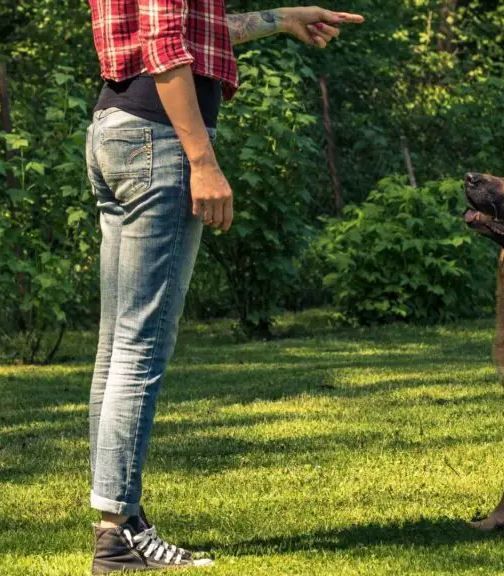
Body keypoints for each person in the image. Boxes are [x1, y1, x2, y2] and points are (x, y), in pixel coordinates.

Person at [84, 2, 364, 573]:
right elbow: (165, 45)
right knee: (141, 347)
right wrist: (202, 161)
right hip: (157, 140)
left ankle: (120, 521)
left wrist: (280, 19)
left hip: (120, 131)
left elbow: (195, 32)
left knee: (118, 348)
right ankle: (117, 535)